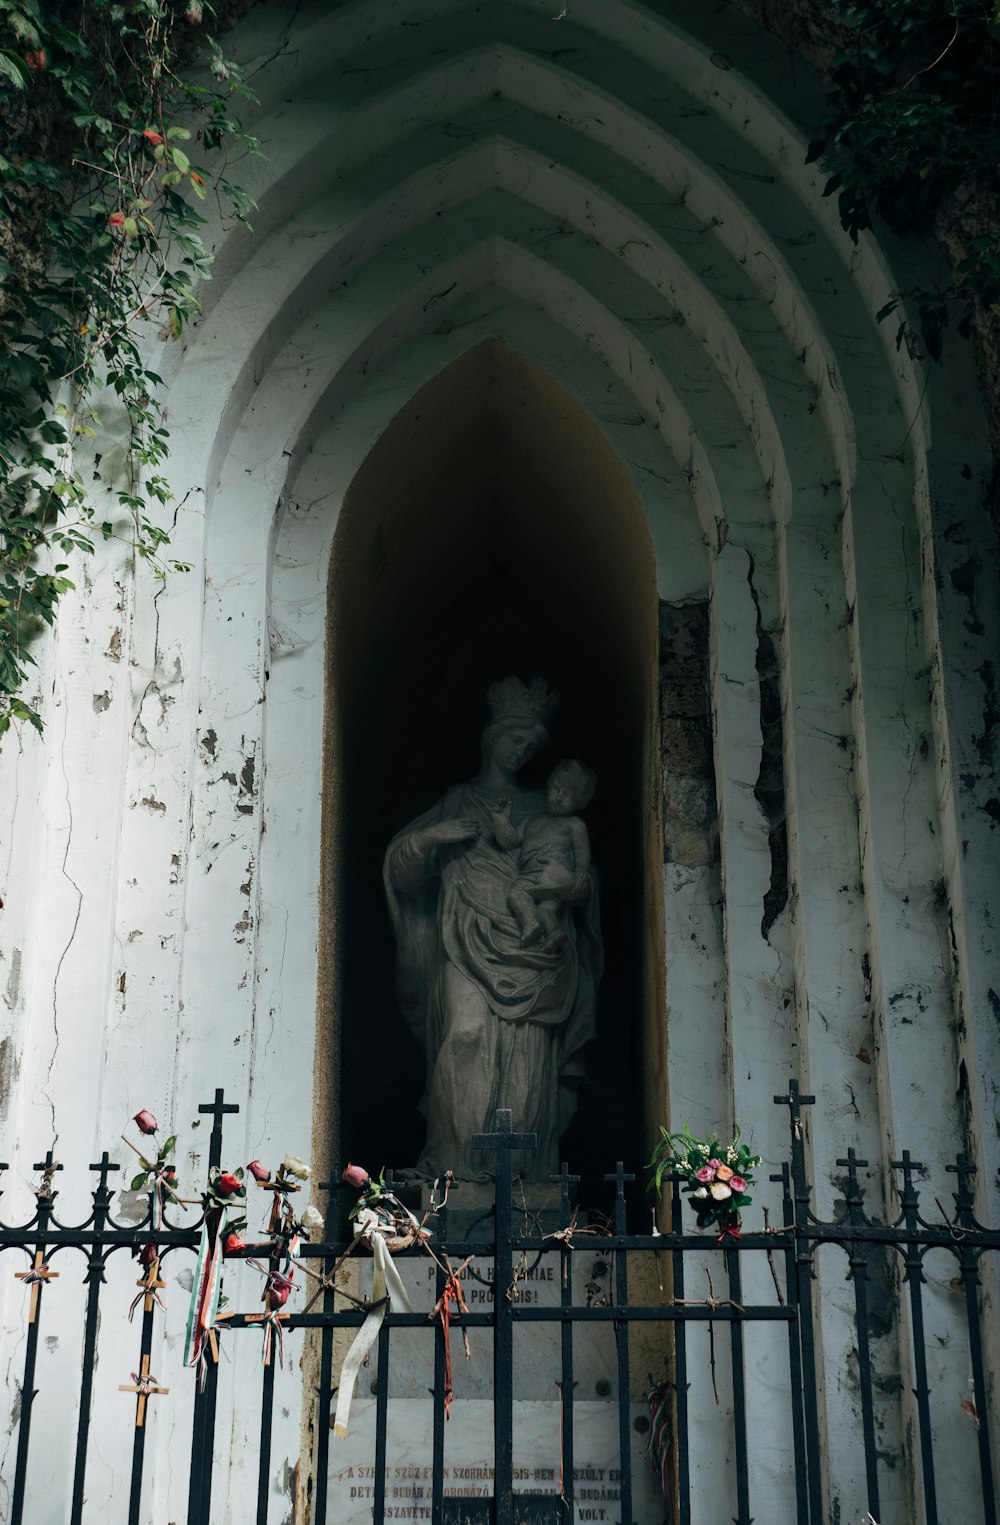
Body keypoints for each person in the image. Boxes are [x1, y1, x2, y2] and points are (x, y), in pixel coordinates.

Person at [383, 678, 602, 1181]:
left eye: (530, 745)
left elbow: (584, 880)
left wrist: (570, 887)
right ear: (490, 736)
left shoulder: (548, 811)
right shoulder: (460, 799)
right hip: (465, 940)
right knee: (466, 1033)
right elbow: (402, 872)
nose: (521, 751)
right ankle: (452, 1168)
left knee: (525, 1058)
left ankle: (521, 1178)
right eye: (514, 739)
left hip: (536, 953)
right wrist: (433, 835)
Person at [487, 759, 596, 950]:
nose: (559, 797)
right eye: (556, 789)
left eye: (567, 794)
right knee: (546, 910)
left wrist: (579, 872)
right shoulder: (531, 822)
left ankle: (530, 923)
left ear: (579, 802)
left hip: (550, 876)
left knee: (516, 893)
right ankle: (554, 933)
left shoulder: (573, 825)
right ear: (548, 787)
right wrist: (501, 821)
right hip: (534, 874)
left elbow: (581, 850)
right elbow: (509, 841)